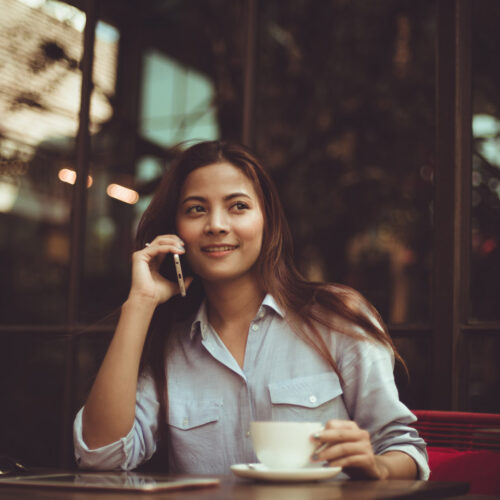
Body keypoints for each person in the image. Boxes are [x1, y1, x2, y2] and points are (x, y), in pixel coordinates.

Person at [73, 140, 429, 480]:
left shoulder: (335, 318)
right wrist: (139, 304)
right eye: (196, 209)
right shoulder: (170, 346)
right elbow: (100, 455)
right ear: (176, 231)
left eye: (238, 206)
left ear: (267, 221)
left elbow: (404, 449)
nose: (216, 225)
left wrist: (377, 467)